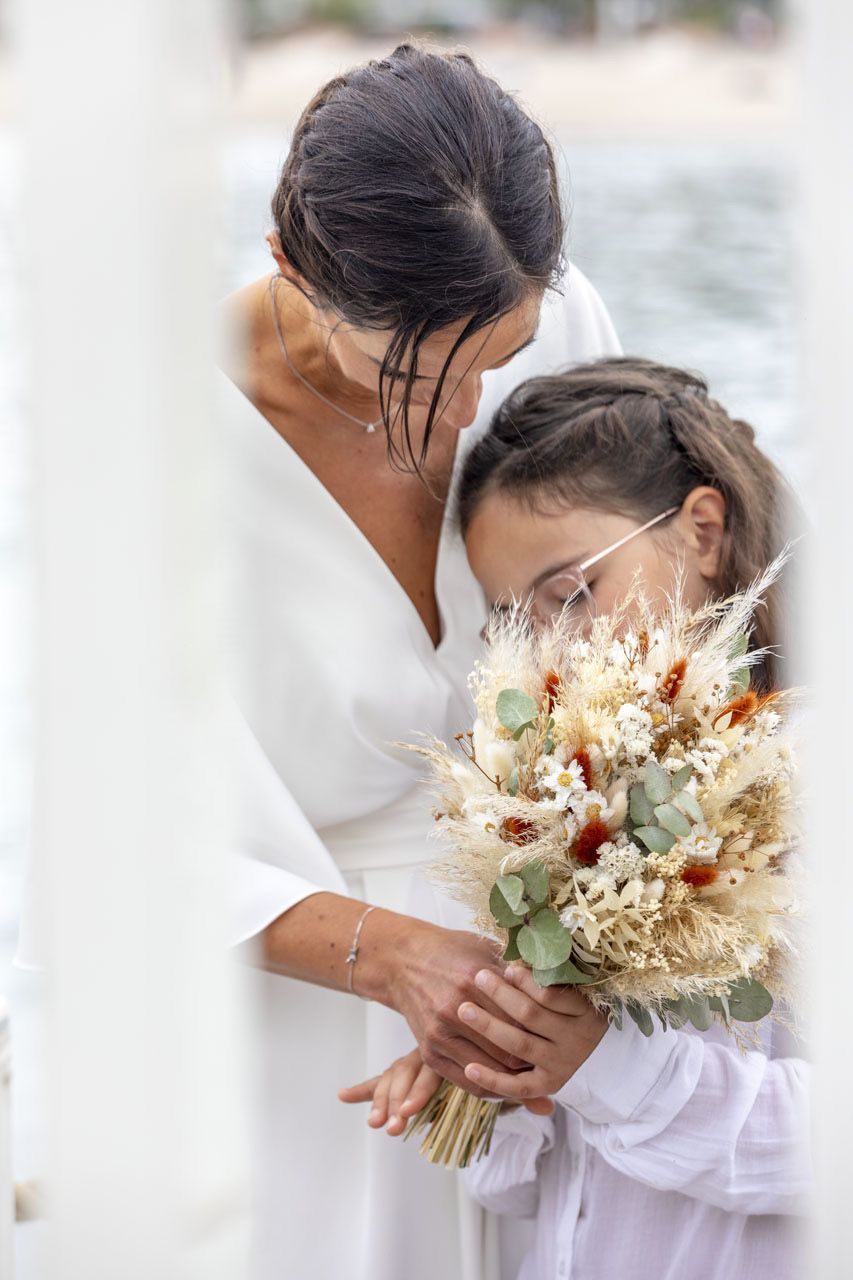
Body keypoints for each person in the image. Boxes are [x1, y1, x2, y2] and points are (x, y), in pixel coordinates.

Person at [216, 45, 619, 1280]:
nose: (468, 411)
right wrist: (392, 956)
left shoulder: (563, 323)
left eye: (502, 350)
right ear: (291, 270)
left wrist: (586, 947)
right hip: (302, 1022)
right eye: (407, 371)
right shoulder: (145, 423)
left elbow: (657, 632)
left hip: (563, 1005)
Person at [342, 358, 809, 1280]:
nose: (554, 647)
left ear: (702, 531)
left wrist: (603, 1068)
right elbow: (537, 1190)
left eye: (570, 592)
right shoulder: (567, 800)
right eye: (513, 620)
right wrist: (499, 1062)